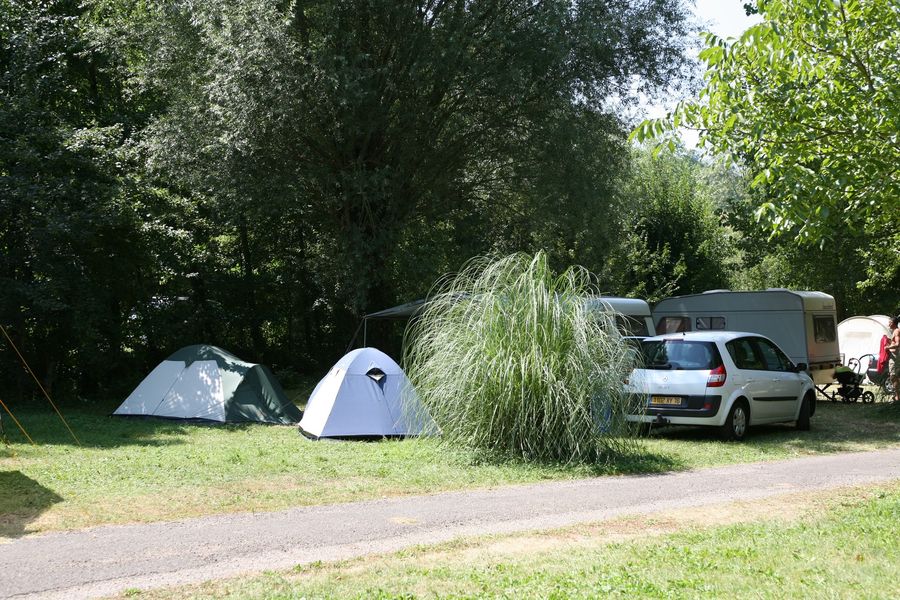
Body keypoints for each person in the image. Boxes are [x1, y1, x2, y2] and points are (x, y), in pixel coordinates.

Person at [886, 315, 900, 402]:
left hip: (895, 357)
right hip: (894, 356)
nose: (888, 324)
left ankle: (898, 397)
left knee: (893, 376)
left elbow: (898, 344)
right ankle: (897, 395)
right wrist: (889, 342)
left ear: (893, 323)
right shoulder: (895, 331)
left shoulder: (897, 331)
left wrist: (887, 348)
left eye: (889, 322)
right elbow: (895, 343)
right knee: (895, 376)